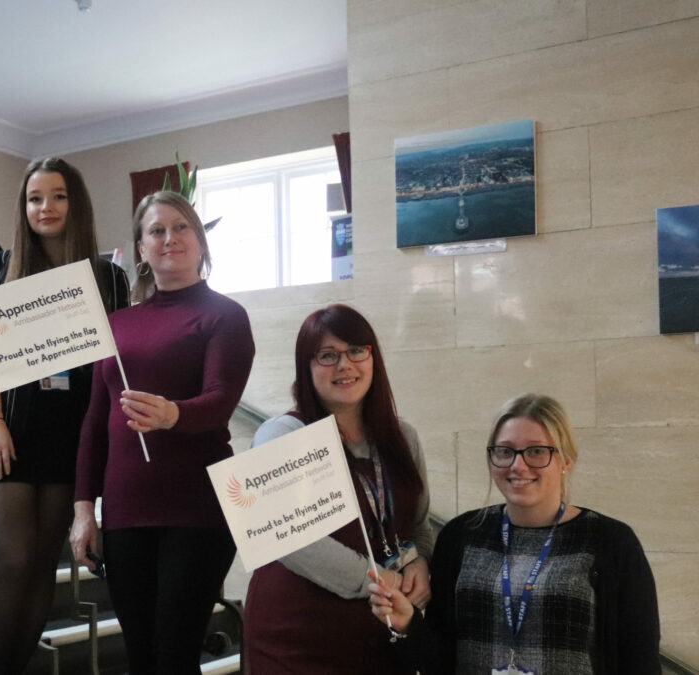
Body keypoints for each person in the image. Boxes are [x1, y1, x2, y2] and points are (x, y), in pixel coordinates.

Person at [70, 191, 254, 674]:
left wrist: (173, 414)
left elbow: (220, 400)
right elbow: (95, 423)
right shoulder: (115, 324)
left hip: (197, 510)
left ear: (199, 240)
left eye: (180, 227)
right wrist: (84, 510)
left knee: (174, 658)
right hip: (126, 513)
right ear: (141, 248)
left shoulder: (225, 315)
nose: (169, 238)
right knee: (141, 658)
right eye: (156, 230)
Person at [0, 158, 130, 674]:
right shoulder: (3, 265)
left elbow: (117, 365)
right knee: (12, 560)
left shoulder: (109, 277)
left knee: (41, 566)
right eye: (35, 198)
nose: (46, 207)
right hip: (7, 427)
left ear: (75, 203)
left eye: (58, 196)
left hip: (71, 436)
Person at [368, 393, 661, 675]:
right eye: (505, 451)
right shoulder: (460, 536)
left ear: (565, 461)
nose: (518, 465)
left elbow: (641, 660)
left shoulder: (611, 542)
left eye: (536, 451)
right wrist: (409, 624)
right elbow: (440, 658)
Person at [241, 303, 433, 674]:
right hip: (297, 639)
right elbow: (291, 541)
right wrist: (382, 579)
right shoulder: (282, 435)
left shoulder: (403, 436)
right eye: (328, 355)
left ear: (373, 358)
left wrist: (422, 563)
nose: (345, 365)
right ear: (306, 367)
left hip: (382, 635)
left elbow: (419, 524)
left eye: (356, 351)